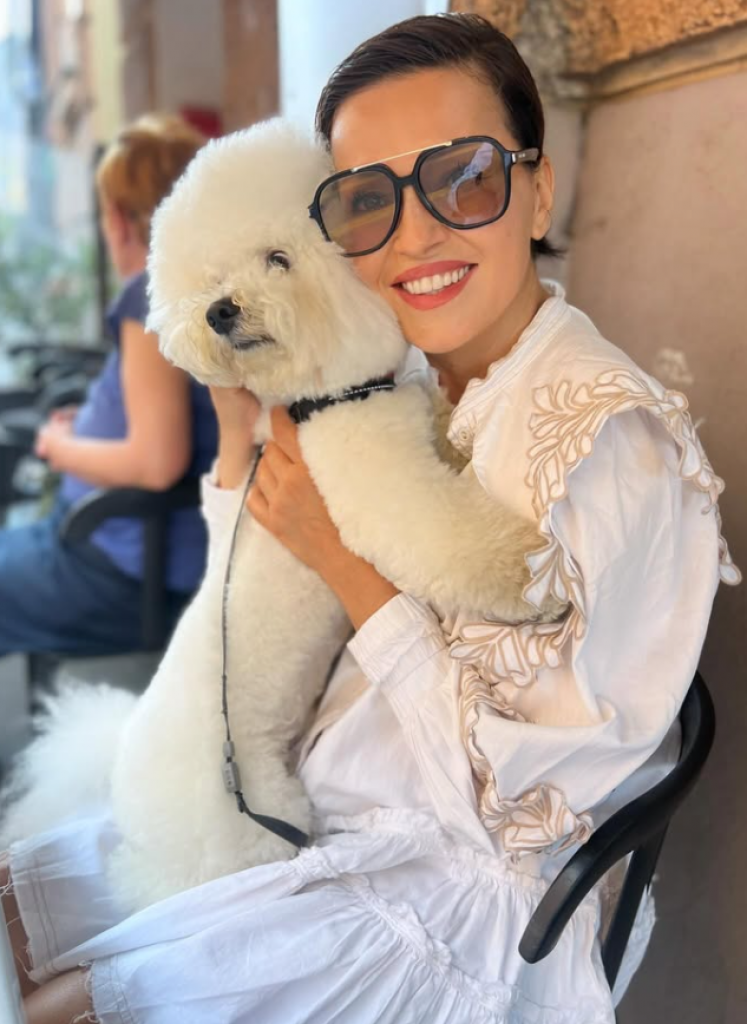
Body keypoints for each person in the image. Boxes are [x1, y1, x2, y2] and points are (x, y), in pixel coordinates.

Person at [1, 14, 740, 1024]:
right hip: (319, 793)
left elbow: (507, 806)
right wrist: (239, 441)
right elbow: (258, 589)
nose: (414, 234)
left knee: (71, 1001)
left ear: (537, 190)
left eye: (463, 178)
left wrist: (347, 563)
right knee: (18, 901)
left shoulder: (608, 448)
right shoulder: (415, 380)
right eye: (366, 201)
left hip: (449, 900)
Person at [0, 114, 218, 657]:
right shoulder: (205, 287)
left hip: (120, 570)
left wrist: (60, 448)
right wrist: (91, 424)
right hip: (140, 555)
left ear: (118, 219)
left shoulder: (150, 294)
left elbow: (157, 462)